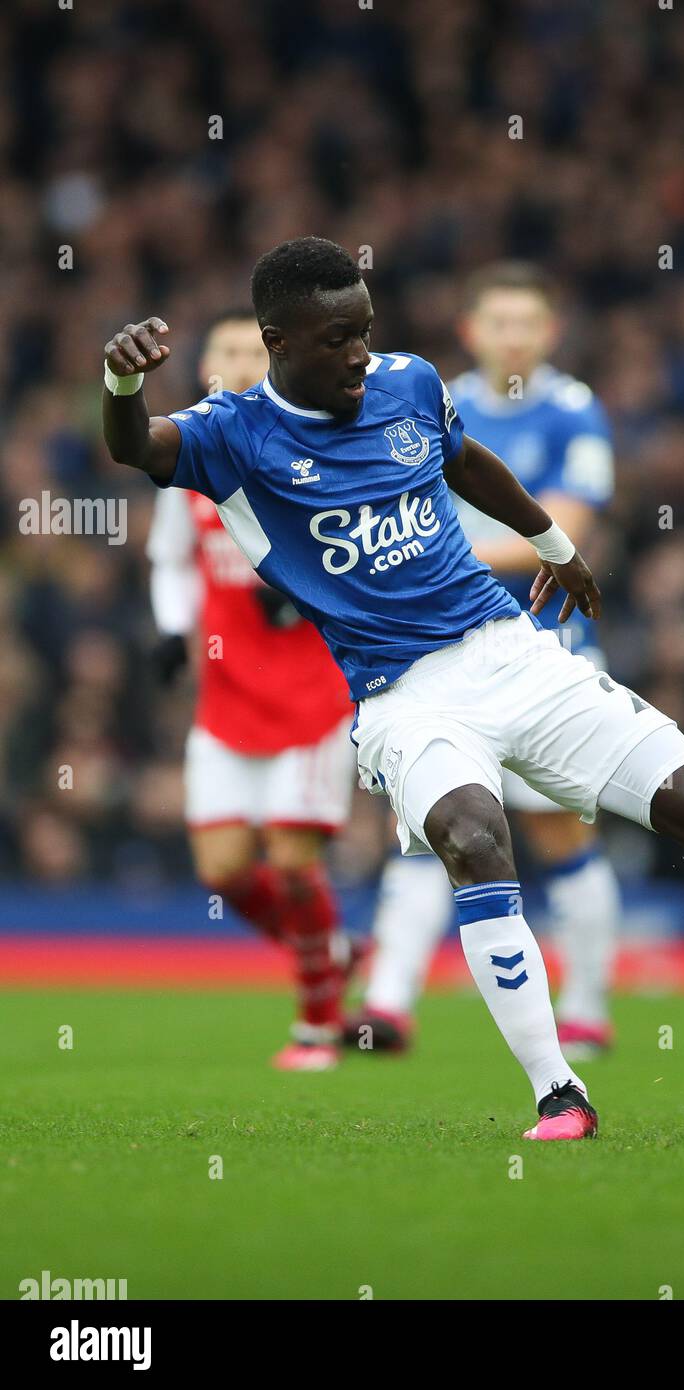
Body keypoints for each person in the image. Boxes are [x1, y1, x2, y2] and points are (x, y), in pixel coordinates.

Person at [102, 237, 684, 1142]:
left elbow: (464, 460)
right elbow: (136, 444)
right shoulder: (232, 433)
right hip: (403, 697)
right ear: (279, 342)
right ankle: (559, 1092)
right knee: (470, 835)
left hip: (509, 651)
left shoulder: (407, 382)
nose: (359, 355)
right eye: (337, 339)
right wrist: (121, 384)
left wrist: (553, 544)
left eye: (365, 331)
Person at [350, 263, 620, 1059]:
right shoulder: (430, 402)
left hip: (541, 641)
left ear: (550, 333)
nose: (513, 336)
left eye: (526, 322)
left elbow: (567, 529)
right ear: (471, 331)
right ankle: (388, 1005)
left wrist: (430, 558)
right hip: (439, 649)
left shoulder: (576, 413)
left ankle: (589, 1009)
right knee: (428, 823)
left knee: (560, 835)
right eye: (498, 322)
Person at [145, 308, 363, 1072]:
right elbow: (171, 559)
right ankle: (328, 947)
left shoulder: (315, 451)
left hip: (311, 700)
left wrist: (303, 590)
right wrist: (174, 629)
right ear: (206, 363)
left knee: (297, 864)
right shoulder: (191, 458)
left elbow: (361, 556)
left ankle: (319, 1026)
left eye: (251, 349)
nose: (238, 362)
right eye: (225, 350)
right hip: (227, 700)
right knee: (224, 871)